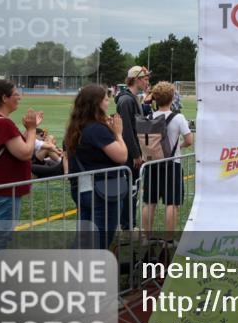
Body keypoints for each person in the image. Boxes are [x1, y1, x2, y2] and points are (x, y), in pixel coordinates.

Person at [0, 80, 42, 309]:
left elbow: (12, 149)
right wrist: (31, 129)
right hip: (4, 191)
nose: (19, 96)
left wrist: (28, 130)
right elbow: (25, 152)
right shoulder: (2, 123)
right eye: (15, 94)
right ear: (4, 98)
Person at [64, 84, 128, 249]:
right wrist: (118, 134)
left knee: (84, 238)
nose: (108, 102)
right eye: (106, 99)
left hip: (83, 187)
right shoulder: (96, 128)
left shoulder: (76, 126)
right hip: (101, 190)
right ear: (96, 103)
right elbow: (122, 156)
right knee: (100, 240)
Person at [141, 81, 192, 238]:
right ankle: (169, 240)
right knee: (172, 203)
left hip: (152, 163)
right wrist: (178, 147)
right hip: (172, 164)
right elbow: (189, 140)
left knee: (149, 202)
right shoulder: (178, 118)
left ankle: (147, 237)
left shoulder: (149, 117)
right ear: (172, 98)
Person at [116, 65, 150, 231]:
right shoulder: (126, 100)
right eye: (145, 79)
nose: (147, 82)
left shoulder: (132, 98)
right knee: (130, 190)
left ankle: (129, 224)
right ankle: (127, 225)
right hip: (130, 154)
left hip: (133, 152)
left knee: (133, 189)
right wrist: (136, 154)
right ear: (136, 79)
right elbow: (127, 131)